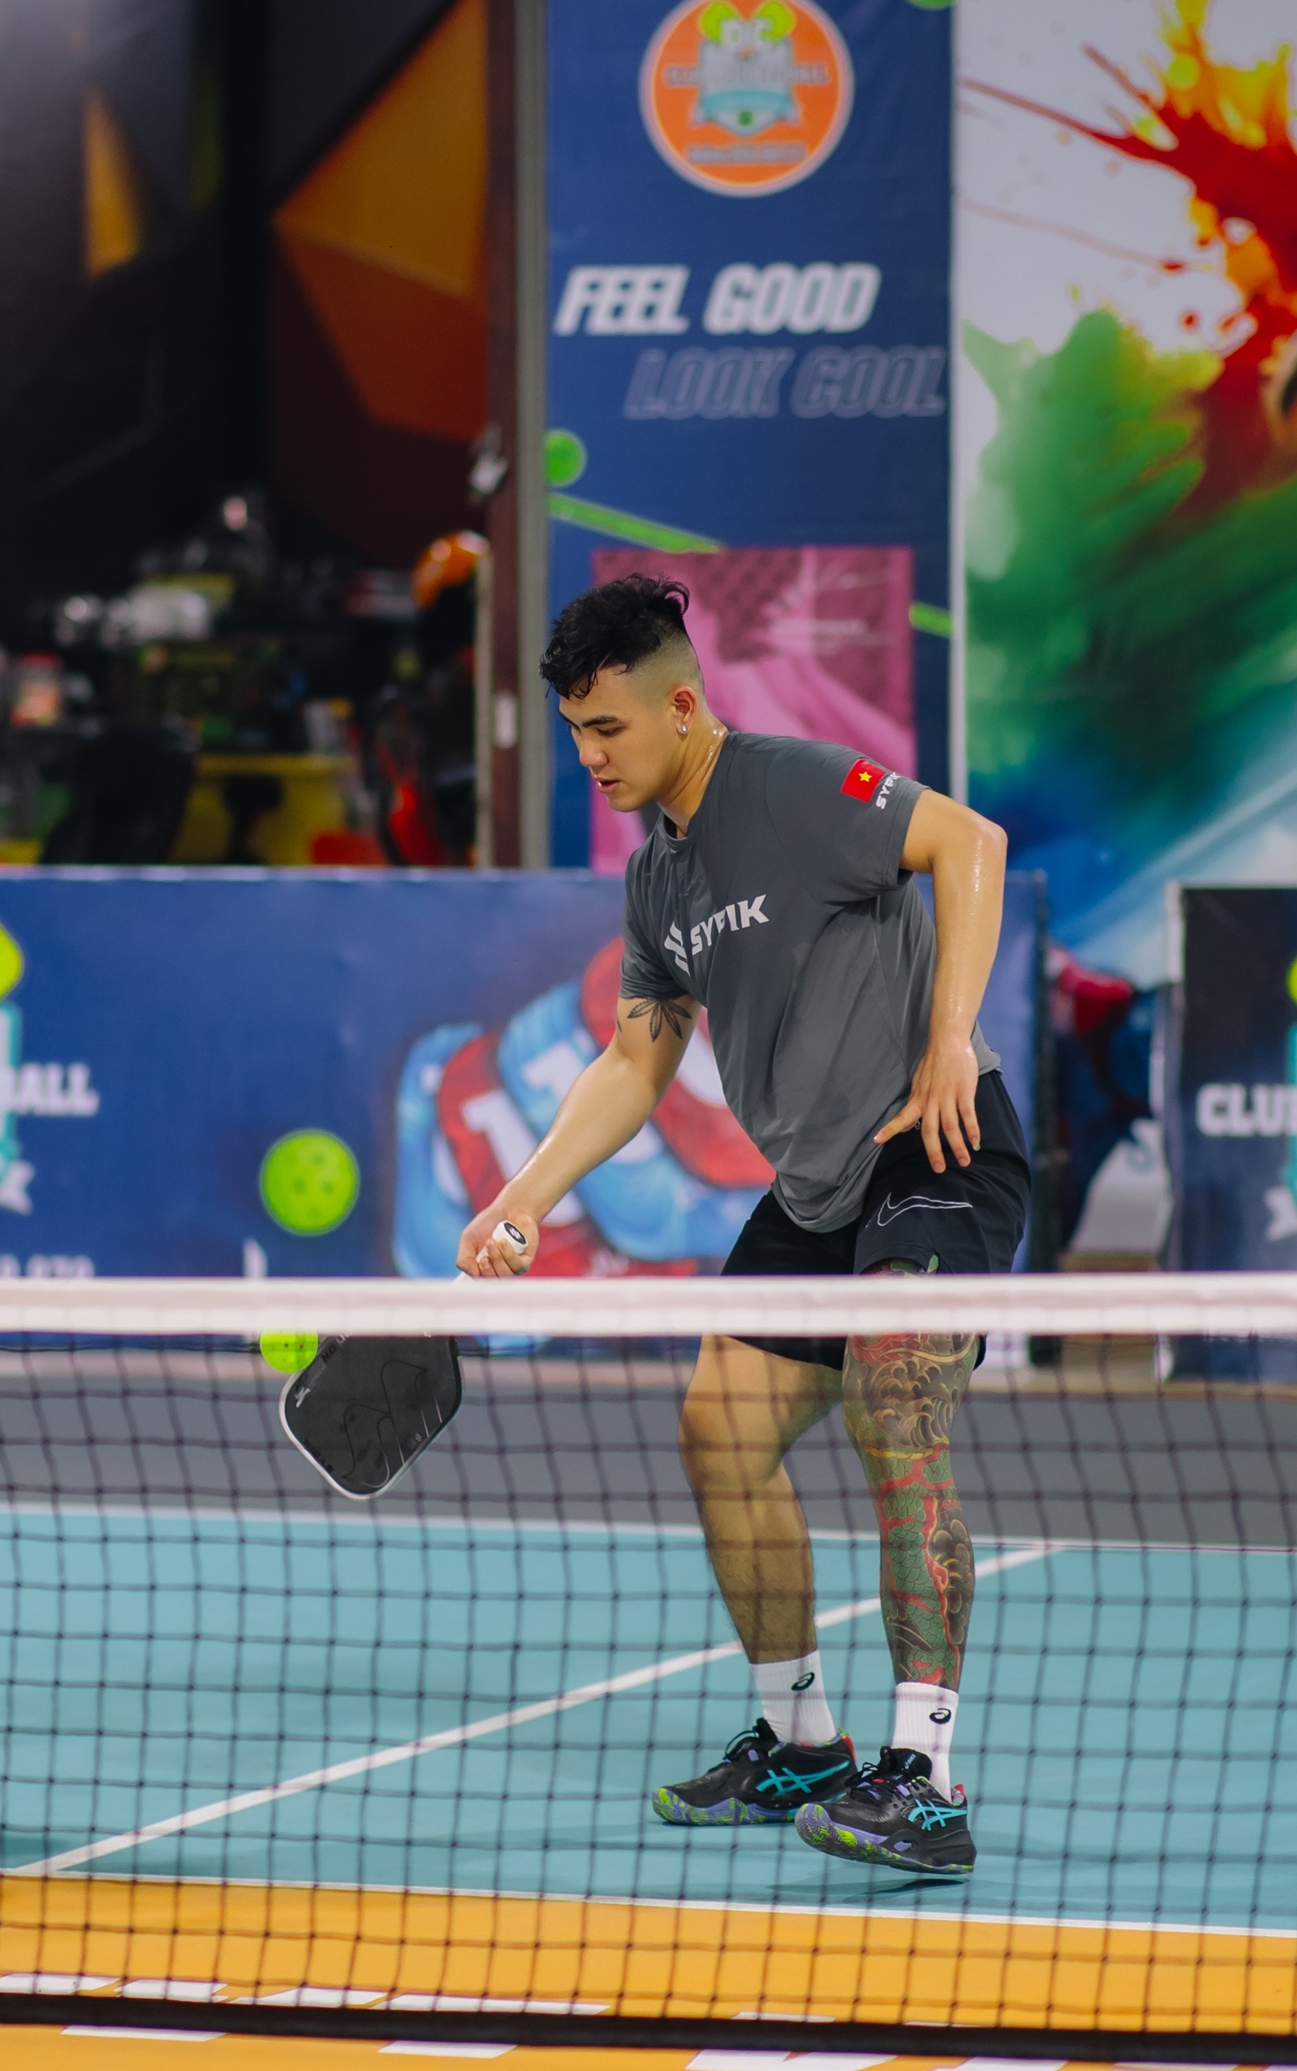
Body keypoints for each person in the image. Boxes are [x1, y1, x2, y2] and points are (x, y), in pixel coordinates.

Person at [456, 576, 1028, 1878]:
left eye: (608, 728)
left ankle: (924, 1779)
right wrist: (523, 1196)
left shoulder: (794, 786)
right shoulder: (658, 877)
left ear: (681, 706)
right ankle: (803, 1742)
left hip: (934, 1148)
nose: (591, 756)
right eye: (576, 732)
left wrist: (949, 1040)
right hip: (818, 1190)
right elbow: (635, 1059)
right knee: (718, 1430)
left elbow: (971, 843)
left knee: (893, 1394)